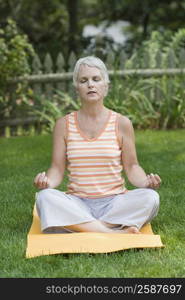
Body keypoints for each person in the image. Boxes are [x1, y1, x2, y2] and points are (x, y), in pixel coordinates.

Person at [34, 56, 161, 234]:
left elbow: (132, 167)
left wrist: (145, 182)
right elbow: (56, 168)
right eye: (83, 80)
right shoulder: (63, 125)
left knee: (151, 198)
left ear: (106, 86)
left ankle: (83, 227)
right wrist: (47, 183)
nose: (90, 85)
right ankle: (112, 231)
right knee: (44, 198)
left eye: (96, 79)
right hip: (78, 203)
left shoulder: (121, 123)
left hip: (115, 202)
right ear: (76, 89)